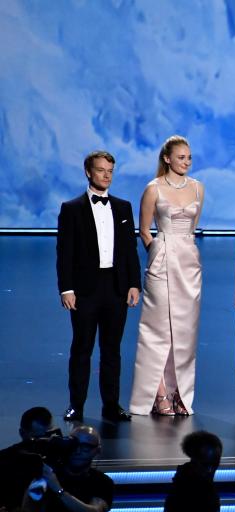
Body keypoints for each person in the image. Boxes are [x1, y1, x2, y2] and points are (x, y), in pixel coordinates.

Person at [56, 150, 141, 423]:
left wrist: (134, 284)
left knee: (112, 349)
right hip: (85, 289)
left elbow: (130, 250)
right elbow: (64, 252)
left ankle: (111, 405)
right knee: (82, 348)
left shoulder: (123, 207)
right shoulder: (71, 209)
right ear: (88, 172)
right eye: (101, 170)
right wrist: (66, 288)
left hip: (116, 287)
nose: (106, 175)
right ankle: (76, 405)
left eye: (110, 170)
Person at [129, 135, 204, 416]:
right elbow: (144, 229)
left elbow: (192, 227)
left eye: (189, 157)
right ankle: (157, 392)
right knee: (158, 329)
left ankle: (179, 392)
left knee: (185, 331)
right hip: (161, 260)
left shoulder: (198, 188)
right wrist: (158, 251)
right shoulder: (153, 189)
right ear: (167, 158)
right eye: (181, 157)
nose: (186, 162)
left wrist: (181, 248)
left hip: (189, 262)